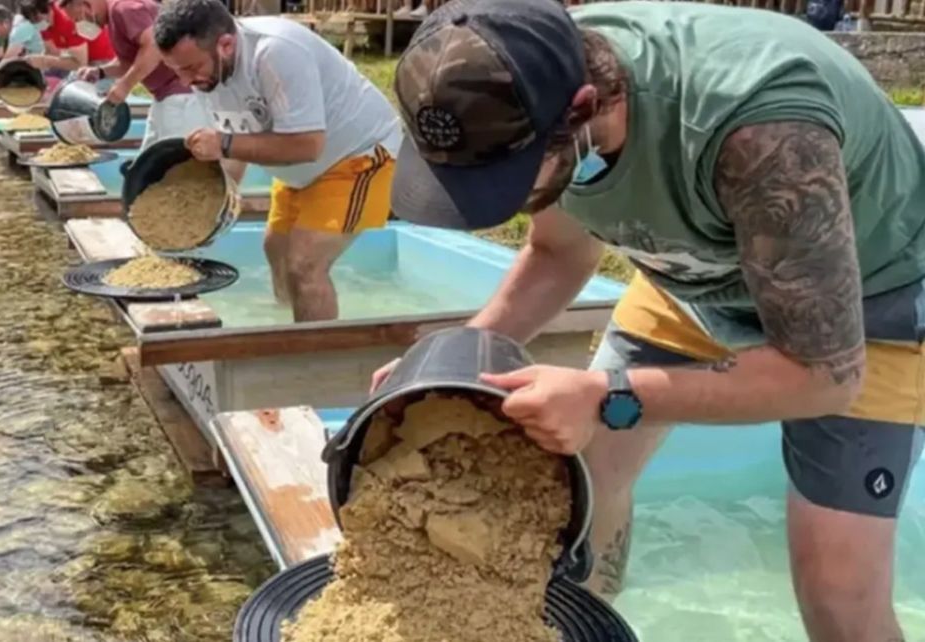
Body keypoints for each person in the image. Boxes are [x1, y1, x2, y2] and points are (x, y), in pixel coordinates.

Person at [380, 0, 925, 639]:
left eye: (510, 181)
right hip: (689, 276)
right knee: (581, 492)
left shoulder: (764, 131)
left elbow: (823, 377)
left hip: (866, 301)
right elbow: (558, 253)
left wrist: (605, 394)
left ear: (584, 109)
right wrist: (455, 359)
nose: (496, 201)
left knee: (837, 593)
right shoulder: (528, 77)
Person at [153, 0, 402, 323]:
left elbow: (308, 145)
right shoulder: (208, 71)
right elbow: (234, 146)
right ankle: (285, 330)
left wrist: (224, 143)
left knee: (305, 263)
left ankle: (312, 352)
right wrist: (209, 211)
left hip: (358, 155)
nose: (186, 81)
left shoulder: (276, 53)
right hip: (299, 168)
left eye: (190, 68)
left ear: (225, 45)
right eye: (177, 71)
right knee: (277, 249)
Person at [64, 0, 209, 149]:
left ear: (87, 4)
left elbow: (153, 46)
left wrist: (124, 86)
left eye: (79, 19)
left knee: (171, 156)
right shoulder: (114, 19)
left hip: (183, 95)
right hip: (165, 95)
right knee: (149, 158)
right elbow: (130, 62)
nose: (80, 25)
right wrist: (101, 71)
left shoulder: (124, 9)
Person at [0, 0, 51, 100]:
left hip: (52, 70)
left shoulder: (19, 29)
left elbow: (6, 61)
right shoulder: (18, 21)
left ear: (5, 23)